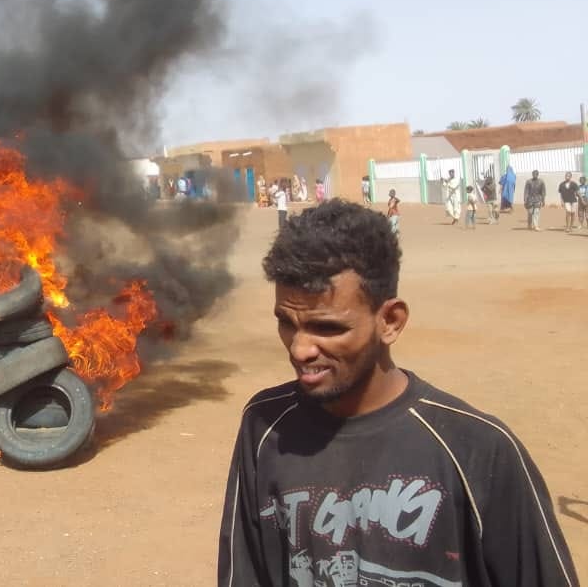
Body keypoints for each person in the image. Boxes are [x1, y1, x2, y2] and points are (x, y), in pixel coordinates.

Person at [216, 200, 579, 586]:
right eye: (287, 324)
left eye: (327, 328)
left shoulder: (477, 449)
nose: (300, 348)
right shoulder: (266, 426)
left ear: (390, 321)